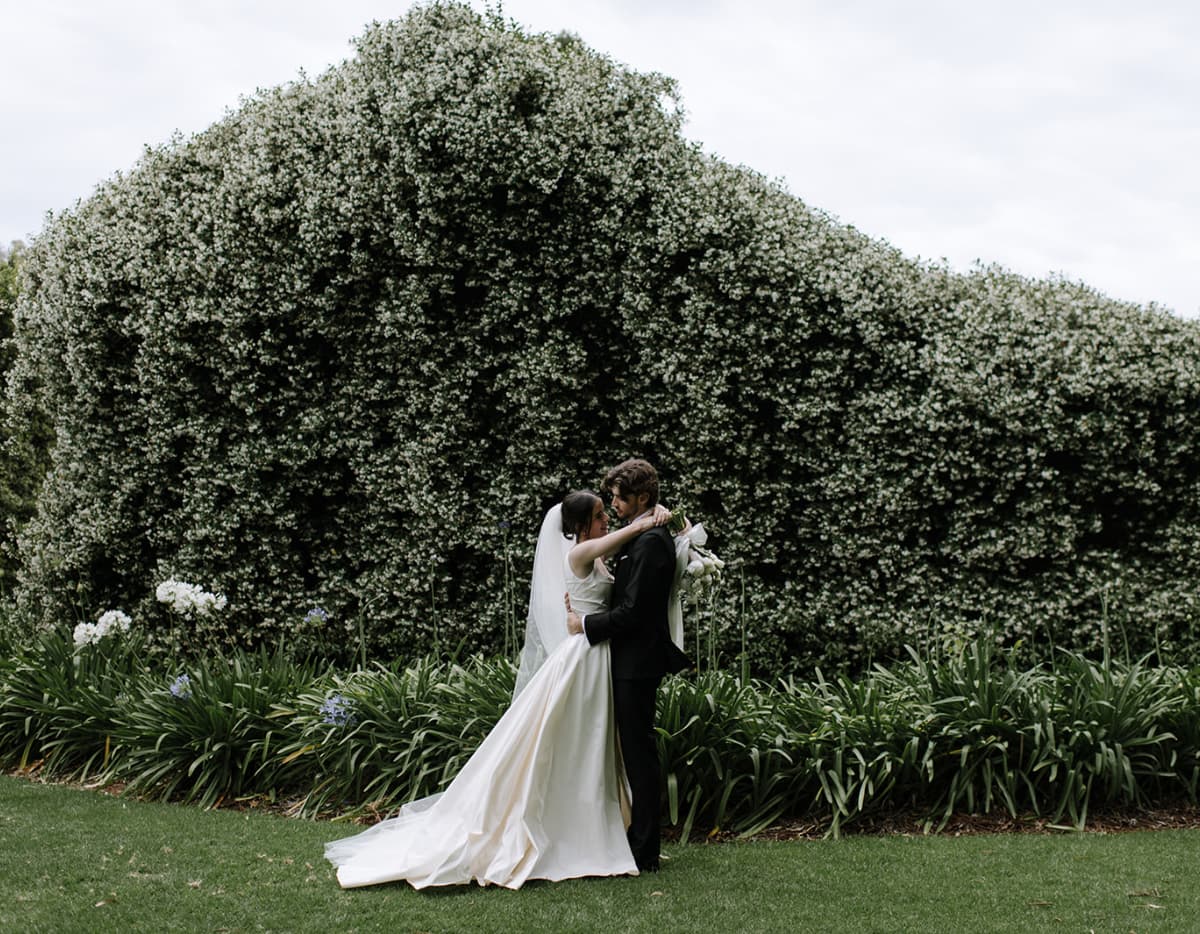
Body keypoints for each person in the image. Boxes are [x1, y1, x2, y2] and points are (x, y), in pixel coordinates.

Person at [323, 491, 673, 890]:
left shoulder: (595, 554)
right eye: (597, 515)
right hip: (582, 656)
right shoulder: (581, 553)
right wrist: (648, 520)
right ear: (579, 527)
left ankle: (591, 821)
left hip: (596, 656)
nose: (605, 519)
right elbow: (626, 535)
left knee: (587, 742)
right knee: (574, 738)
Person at [567, 458, 689, 873]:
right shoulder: (642, 536)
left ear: (642, 498)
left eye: (619, 498)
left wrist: (582, 623)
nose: (614, 504)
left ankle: (644, 851)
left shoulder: (652, 542)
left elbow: (635, 612)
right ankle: (629, 837)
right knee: (630, 752)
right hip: (624, 659)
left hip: (636, 662)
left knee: (639, 754)